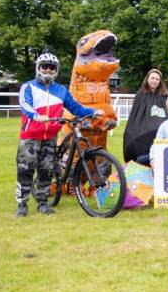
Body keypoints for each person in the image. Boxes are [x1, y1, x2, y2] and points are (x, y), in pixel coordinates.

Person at [15, 52, 103, 217]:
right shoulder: (28, 86)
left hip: (50, 137)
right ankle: (22, 204)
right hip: (30, 136)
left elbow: (76, 108)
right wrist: (36, 116)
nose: (48, 70)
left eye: (51, 67)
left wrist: (93, 111)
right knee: (25, 170)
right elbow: (24, 104)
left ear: (56, 70)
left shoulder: (61, 90)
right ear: (38, 68)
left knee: (46, 170)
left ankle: (42, 203)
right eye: (44, 67)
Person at [123, 68, 168, 164]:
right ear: (147, 79)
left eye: (157, 79)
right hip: (143, 127)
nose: (154, 81)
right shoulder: (140, 94)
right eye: (152, 78)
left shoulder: (164, 95)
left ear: (160, 81)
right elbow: (136, 114)